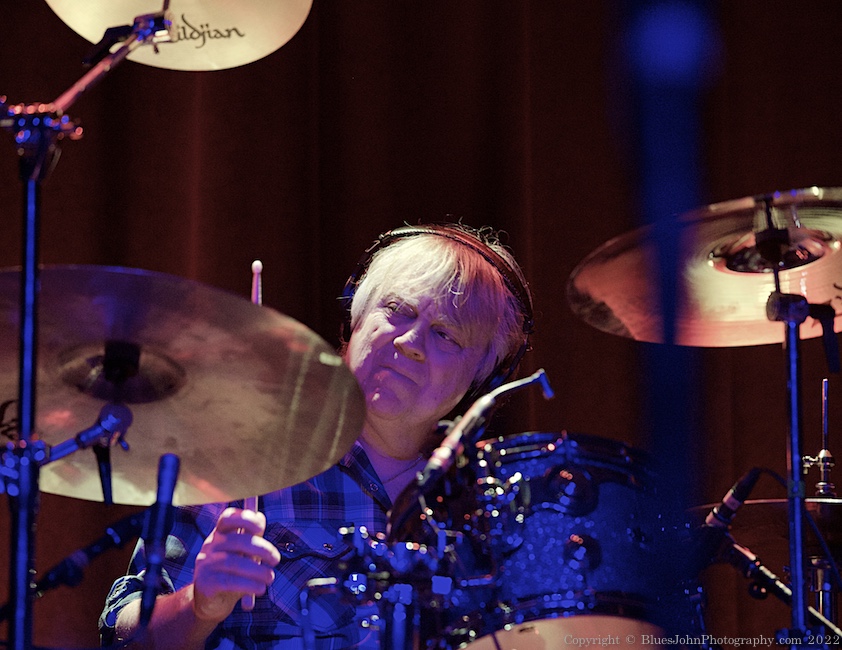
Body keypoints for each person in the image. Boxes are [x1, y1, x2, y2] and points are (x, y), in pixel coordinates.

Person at [99, 222, 533, 649]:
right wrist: (199, 605)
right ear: (355, 319)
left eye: (445, 334)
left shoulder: (490, 510)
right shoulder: (246, 454)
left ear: (481, 378)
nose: (412, 341)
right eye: (398, 309)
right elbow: (121, 637)